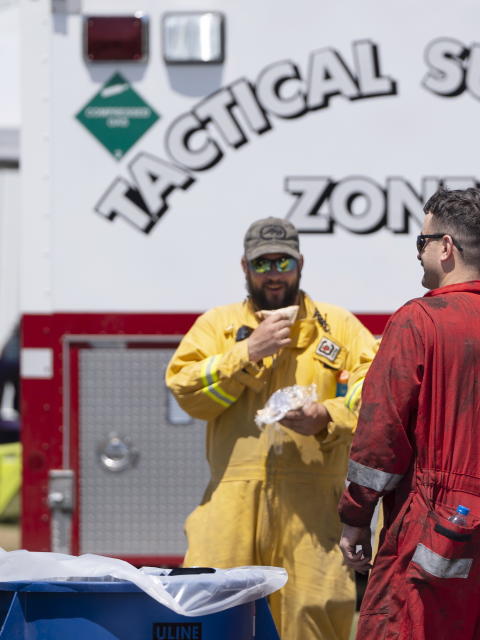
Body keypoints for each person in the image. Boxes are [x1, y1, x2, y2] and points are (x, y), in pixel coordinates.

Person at [338, 188, 480, 640]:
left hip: (430, 530)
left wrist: (355, 517)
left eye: (422, 242)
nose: (419, 254)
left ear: (446, 247)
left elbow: (381, 438)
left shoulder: (417, 322)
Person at [165, 217, 378, 640]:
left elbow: (375, 394)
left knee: (312, 619)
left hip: (314, 514)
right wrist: (247, 352)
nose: (274, 273)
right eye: (263, 264)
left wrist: (326, 417)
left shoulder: (338, 327)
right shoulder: (218, 327)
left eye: (283, 262)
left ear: (300, 263)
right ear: (245, 267)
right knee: (214, 618)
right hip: (230, 508)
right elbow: (185, 389)